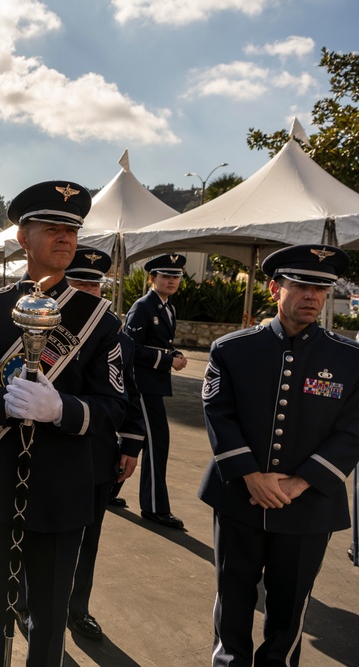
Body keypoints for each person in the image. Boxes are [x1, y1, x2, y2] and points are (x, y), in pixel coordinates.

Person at [0, 181, 126, 666]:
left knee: (47, 625)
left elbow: (113, 406)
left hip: (63, 489)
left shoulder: (100, 321)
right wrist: (3, 403)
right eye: (51, 228)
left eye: (72, 229)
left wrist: (61, 409)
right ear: (23, 238)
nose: (65, 238)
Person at [199, 244, 359, 667]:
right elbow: (219, 413)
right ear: (274, 288)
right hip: (239, 497)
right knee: (233, 597)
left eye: (321, 288)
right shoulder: (231, 350)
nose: (312, 296)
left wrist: (299, 481)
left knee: (289, 610)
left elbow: (353, 430)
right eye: (302, 285)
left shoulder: (349, 360)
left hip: (307, 505)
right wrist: (252, 475)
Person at [57, 247, 144, 640]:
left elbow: (129, 391)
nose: (89, 291)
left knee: (87, 538)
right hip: (49, 453)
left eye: (94, 284)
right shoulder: (43, 330)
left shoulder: (113, 332)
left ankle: (78, 608)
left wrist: (131, 444)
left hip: (95, 455)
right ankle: (25, 602)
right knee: (36, 536)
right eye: (79, 283)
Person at [124, 253, 188, 529]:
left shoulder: (166, 308)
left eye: (176, 277)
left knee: (137, 440)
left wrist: (174, 353)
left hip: (155, 385)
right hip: (142, 385)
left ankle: (106, 490)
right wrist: (166, 360)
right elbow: (131, 349)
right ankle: (154, 507)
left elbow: (159, 343)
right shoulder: (143, 307)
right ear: (152, 278)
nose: (172, 281)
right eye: (166, 276)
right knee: (156, 443)